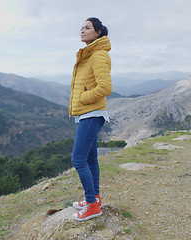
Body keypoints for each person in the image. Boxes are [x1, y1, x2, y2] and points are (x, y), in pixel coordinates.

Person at [69, 17, 112, 221]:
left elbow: (105, 87)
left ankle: (92, 206)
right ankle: (94, 198)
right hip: (88, 113)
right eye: (81, 28)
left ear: (97, 33)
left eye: (87, 28)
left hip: (92, 113)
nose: (82, 31)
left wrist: (84, 97)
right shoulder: (90, 54)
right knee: (90, 159)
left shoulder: (98, 55)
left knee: (78, 159)